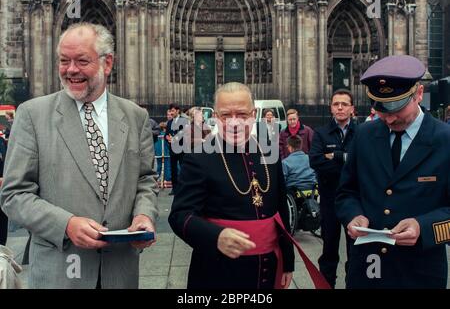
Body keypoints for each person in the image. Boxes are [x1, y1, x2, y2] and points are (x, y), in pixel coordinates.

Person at [0, 23, 159, 289]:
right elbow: (14, 195)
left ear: (107, 64)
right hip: (58, 274)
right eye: (64, 60)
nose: (71, 69)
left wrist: (144, 215)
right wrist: (66, 225)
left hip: (119, 273)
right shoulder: (32, 115)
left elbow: (145, 180)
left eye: (82, 61)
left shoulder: (135, 117)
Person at [335, 55, 450, 289]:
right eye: (380, 108)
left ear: (418, 94)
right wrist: (352, 215)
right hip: (367, 268)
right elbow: (346, 192)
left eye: (396, 107)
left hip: (420, 272)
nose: (388, 117)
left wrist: (423, 227)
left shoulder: (444, 140)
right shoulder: (365, 136)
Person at [168, 82, 295, 289]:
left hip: (269, 266)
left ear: (253, 115)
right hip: (218, 270)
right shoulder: (198, 157)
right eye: (226, 115)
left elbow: (281, 210)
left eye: (242, 114)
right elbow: (180, 215)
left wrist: (288, 262)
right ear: (216, 117)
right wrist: (215, 236)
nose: (234, 122)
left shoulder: (269, 152)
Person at [309, 89, 356, 288]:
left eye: (344, 104)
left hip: (355, 200)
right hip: (329, 199)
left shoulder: (362, 132)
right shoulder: (321, 133)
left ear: (352, 108)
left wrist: (335, 156)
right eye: (336, 104)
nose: (340, 107)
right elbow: (315, 161)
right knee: (329, 249)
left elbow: (363, 163)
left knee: (355, 251)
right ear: (331, 107)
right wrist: (347, 160)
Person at [166, 103, 188, 195]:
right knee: (173, 169)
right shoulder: (170, 122)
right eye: (170, 110)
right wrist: (168, 138)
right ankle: (174, 189)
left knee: (183, 168)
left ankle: (183, 188)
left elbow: (184, 133)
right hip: (172, 149)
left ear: (177, 111)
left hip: (182, 149)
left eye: (173, 110)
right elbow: (167, 133)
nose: (171, 112)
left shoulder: (184, 120)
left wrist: (174, 138)